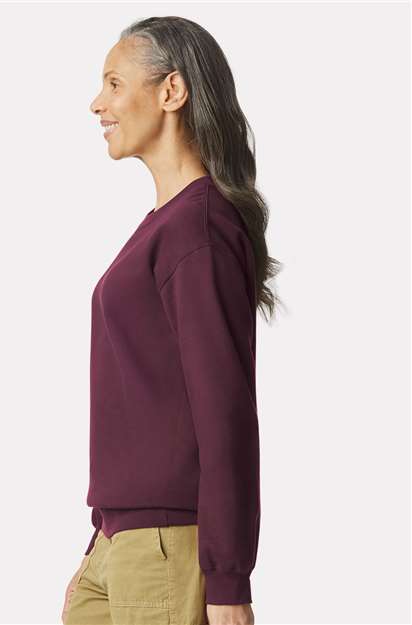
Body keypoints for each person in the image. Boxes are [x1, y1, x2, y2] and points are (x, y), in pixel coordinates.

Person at [62, 15, 282, 625]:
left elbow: (225, 413)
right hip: (120, 542)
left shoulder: (198, 229)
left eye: (113, 83)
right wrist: (101, 541)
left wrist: (229, 580)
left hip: (165, 548)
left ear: (171, 91)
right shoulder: (167, 225)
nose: (97, 103)